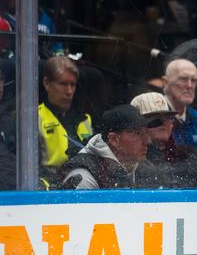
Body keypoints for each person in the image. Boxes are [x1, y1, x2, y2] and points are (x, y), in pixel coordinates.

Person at [130, 92, 197, 189]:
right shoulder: (135, 157)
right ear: (137, 127)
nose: (165, 124)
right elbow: (153, 181)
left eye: (169, 117)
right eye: (155, 121)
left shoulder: (186, 152)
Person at [59, 105, 152, 190]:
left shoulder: (144, 168)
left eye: (145, 133)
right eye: (137, 133)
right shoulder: (85, 177)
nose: (148, 141)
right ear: (114, 139)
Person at [38, 56, 93, 189]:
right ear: (46, 83)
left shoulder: (85, 119)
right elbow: (28, 169)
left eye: (72, 85)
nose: (69, 91)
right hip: (49, 191)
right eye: (63, 84)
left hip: (85, 185)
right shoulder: (34, 118)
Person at [162, 58, 197, 160]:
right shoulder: (154, 117)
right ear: (165, 82)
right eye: (183, 79)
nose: (189, 86)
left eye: (194, 80)